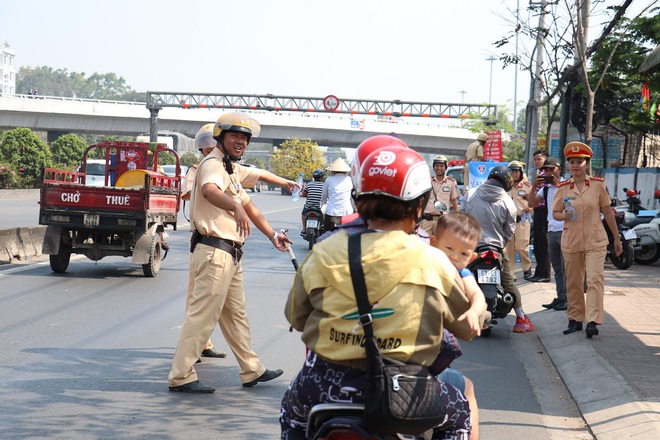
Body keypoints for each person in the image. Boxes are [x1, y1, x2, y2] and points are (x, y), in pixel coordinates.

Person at [281, 146, 477, 439]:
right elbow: (465, 328)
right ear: (419, 206)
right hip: (404, 390)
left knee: (291, 412)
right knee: (460, 415)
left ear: (358, 200)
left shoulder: (324, 250)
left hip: (320, 384)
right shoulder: (432, 260)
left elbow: (296, 317)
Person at [168, 112, 299, 393]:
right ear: (221, 138)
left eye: (245, 137)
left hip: (231, 255)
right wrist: (235, 207)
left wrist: (273, 234)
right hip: (215, 252)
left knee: (236, 315)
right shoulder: (214, 164)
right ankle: (180, 375)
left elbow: (251, 206)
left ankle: (251, 369)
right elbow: (209, 191)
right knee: (202, 316)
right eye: (234, 136)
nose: (241, 141)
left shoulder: (230, 169)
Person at [552, 142, 622, 338]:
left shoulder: (599, 185)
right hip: (571, 240)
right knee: (574, 282)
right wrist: (563, 215)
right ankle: (575, 319)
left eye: (580, 162)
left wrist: (616, 238)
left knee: (594, 279)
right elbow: (555, 213)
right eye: (572, 162)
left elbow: (607, 211)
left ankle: (593, 320)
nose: (576, 165)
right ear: (568, 165)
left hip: (596, 240)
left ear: (587, 163)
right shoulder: (563, 188)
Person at [430, 211, 488, 440]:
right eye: (449, 248)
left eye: (462, 253)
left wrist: (475, 310)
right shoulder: (430, 266)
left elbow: (477, 294)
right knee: (467, 389)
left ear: (471, 257)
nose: (454, 257)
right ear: (434, 243)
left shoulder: (460, 273)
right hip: (419, 368)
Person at [461, 165, 534, 333]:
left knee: (457, 276)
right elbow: (510, 230)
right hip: (496, 248)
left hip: (472, 247)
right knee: (508, 281)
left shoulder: (471, 194)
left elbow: (462, 219)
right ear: (507, 183)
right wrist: (500, 244)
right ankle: (521, 318)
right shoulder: (508, 202)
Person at [529, 157, 567, 311]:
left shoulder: (567, 185)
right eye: (547, 170)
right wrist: (533, 187)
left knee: (567, 268)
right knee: (557, 268)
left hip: (566, 230)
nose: (549, 173)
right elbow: (531, 203)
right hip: (551, 230)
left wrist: (558, 184)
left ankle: (568, 299)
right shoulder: (545, 189)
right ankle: (561, 297)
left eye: (552, 169)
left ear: (559, 169)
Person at [504, 161, 533, 280]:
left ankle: (527, 268)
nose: (514, 174)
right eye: (512, 171)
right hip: (508, 221)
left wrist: (529, 208)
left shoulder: (527, 186)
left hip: (522, 221)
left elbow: (534, 201)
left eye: (517, 171)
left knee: (522, 247)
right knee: (509, 248)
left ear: (521, 173)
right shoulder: (505, 186)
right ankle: (510, 272)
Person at [419, 155, 460, 236]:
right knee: (424, 245)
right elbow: (421, 201)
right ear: (434, 167)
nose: (439, 168)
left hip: (442, 221)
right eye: (437, 165)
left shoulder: (451, 182)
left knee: (440, 245)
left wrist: (456, 220)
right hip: (426, 221)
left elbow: (454, 202)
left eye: (441, 166)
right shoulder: (427, 181)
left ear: (445, 167)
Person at [529, 149, 552, 282]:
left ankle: (544, 273)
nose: (536, 161)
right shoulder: (539, 174)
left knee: (543, 244)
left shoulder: (546, 175)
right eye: (535, 159)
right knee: (537, 243)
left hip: (544, 212)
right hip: (537, 211)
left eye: (539, 159)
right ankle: (539, 272)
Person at [320, 158, 354, 232]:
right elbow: (352, 196)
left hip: (331, 212)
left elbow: (324, 195)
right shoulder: (349, 180)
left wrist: (322, 203)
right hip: (346, 212)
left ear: (333, 171)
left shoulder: (329, 179)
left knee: (327, 234)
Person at [300, 169, 324, 238]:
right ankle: (322, 226)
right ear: (322, 177)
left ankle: (304, 229)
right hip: (320, 207)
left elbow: (303, 194)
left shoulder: (309, 184)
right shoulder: (324, 185)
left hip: (309, 207)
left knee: (303, 214)